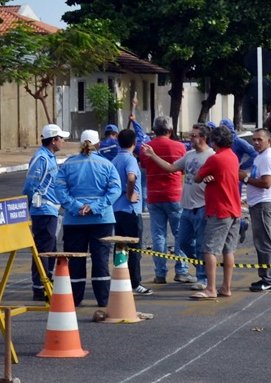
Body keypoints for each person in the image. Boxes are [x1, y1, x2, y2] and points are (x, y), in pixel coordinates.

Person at [47, 130, 122, 307]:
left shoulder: (68, 164)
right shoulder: (106, 164)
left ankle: (74, 299)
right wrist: (95, 207)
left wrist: (75, 207)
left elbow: (59, 190)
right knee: (100, 259)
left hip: (75, 220)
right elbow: (115, 190)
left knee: (75, 260)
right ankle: (103, 299)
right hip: (101, 219)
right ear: (98, 145)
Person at [144, 123, 209, 290]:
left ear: (203, 138)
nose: (190, 138)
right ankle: (197, 267)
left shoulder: (211, 156)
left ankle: (202, 276)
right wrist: (153, 155)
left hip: (201, 206)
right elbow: (171, 168)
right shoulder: (187, 154)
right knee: (184, 241)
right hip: (183, 205)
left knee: (198, 242)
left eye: (194, 136)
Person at [190, 124, 242, 300]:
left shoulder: (215, 159)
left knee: (209, 249)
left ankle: (211, 288)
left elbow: (197, 178)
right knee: (229, 250)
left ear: (214, 141)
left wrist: (206, 176)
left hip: (219, 209)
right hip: (234, 208)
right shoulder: (233, 157)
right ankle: (226, 287)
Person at [139, 115, 190, 285]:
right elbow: (183, 170)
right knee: (179, 234)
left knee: (158, 235)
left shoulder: (145, 148)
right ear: (170, 130)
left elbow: (144, 167)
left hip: (154, 195)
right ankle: (181, 271)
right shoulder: (179, 147)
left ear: (154, 130)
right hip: (174, 194)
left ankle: (160, 273)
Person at [22, 123, 69, 302]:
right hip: (43, 210)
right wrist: (25, 206)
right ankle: (40, 287)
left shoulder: (49, 157)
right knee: (43, 250)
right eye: (61, 138)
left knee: (50, 250)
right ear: (53, 140)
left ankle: (47, 284)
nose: (63, 141)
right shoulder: (41, 159)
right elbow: (30, 186)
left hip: (51, 210)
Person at [108, 129, 148, 295]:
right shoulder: (130, 160)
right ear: (134, 143)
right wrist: (130, 194)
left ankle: (120, 278)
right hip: (130, 210)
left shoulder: (115, 159)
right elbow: (131, 178)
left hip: (117, 209)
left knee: (120, 247)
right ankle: (134, 283)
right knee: (134, 249)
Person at [244, 129, 271, 292]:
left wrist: (244, 178)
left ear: (268, 141)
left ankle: (269, 279)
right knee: (260, 242)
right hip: (257, 204)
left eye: (260, 139)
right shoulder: (260, 156)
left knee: (264, 242)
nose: (256, 143)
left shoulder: (267, 157)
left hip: (263, 204)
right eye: (254, 140)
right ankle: (265, 276)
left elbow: (266, 183)